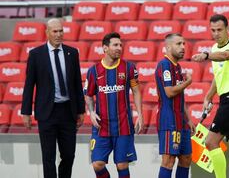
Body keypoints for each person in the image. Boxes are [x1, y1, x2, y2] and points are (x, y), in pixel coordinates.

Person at [21, 18, 85, 178]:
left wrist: (81, 110)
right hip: (46, 113)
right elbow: (29, 85)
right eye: (55, 31)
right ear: (47, 33)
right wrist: (26, 112)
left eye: (61, 31)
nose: (58, 34)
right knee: (48, 157)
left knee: (69, 155)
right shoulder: (36, 55)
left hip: (67, 111)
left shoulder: (72, 53)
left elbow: (77, 82)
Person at [192, 14, 229, 178]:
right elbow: (219, 77)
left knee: (210, 142)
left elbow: (226, 56)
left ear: (228, 29)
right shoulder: (214, 49)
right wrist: (209, 96)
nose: (216, 33)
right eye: (213, 30)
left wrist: (206, 55)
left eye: (220, 30)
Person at [84, 32, 144, 178]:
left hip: (123, 125)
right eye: (115, 45)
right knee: (97, 164)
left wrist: (140, 115)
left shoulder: (129, 68)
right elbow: (88, 94)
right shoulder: (93, 71)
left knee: (122, 164)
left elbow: (136, 91)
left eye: (120, 45)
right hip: (101, 126)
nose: (119, 48)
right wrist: (91, 112)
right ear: (105, 48)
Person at [155, 33, 195, 178]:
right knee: (168, 160)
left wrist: (188, 119)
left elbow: (180, 97)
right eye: (178, 44)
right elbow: (170, 92)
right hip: (168, 121)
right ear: (168, 47)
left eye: (183, 43)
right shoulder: (164, 65)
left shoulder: (177, 67)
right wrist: (187, 83)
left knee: (186, 159)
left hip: (181, 121)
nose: (183, 47)